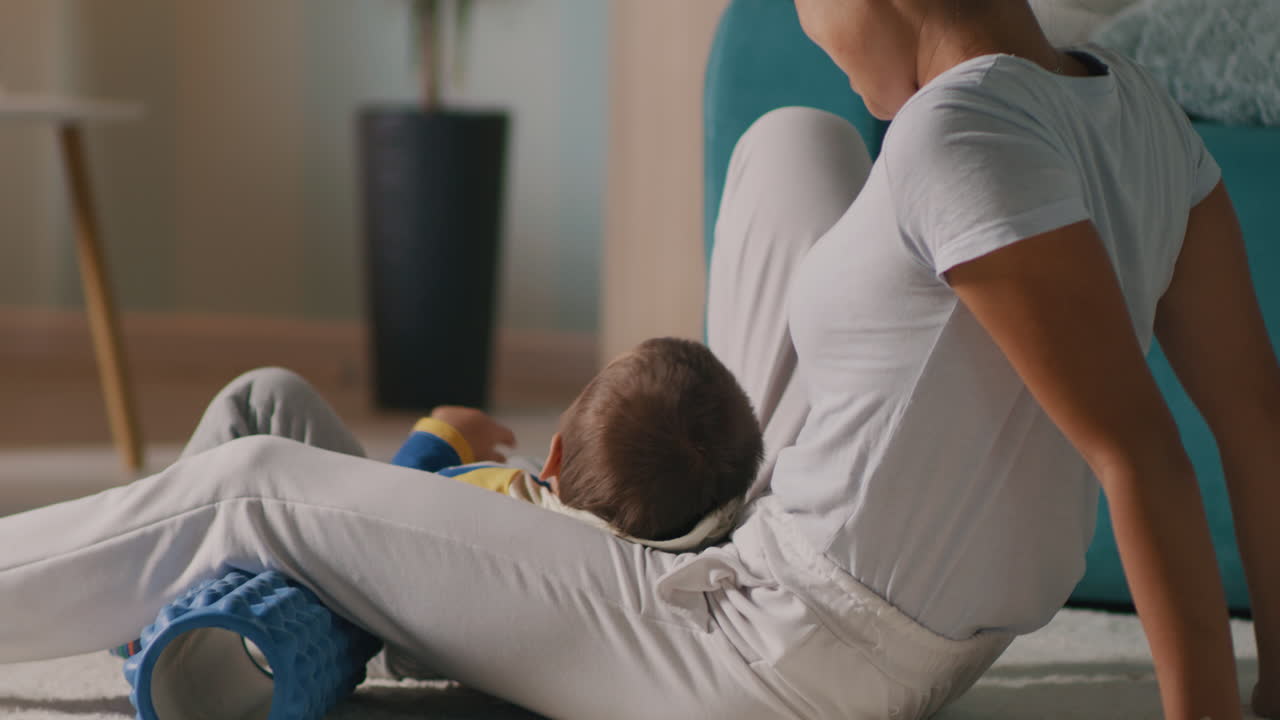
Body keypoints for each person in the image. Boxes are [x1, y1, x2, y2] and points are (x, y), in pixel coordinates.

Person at [1, 1, 1275, 718]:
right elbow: (1253, 427)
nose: (804, 18)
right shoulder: (1130, 107)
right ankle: (678, 502)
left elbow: (1143, 461)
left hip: (767, 651)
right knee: (790, 144)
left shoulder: (962, 139)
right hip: (906, 609)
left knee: (255, 485)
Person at [390, 336, 761, 550]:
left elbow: (384, 516)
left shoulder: (491, 495)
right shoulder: (706, 536)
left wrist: (441, 437)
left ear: (555, 456)